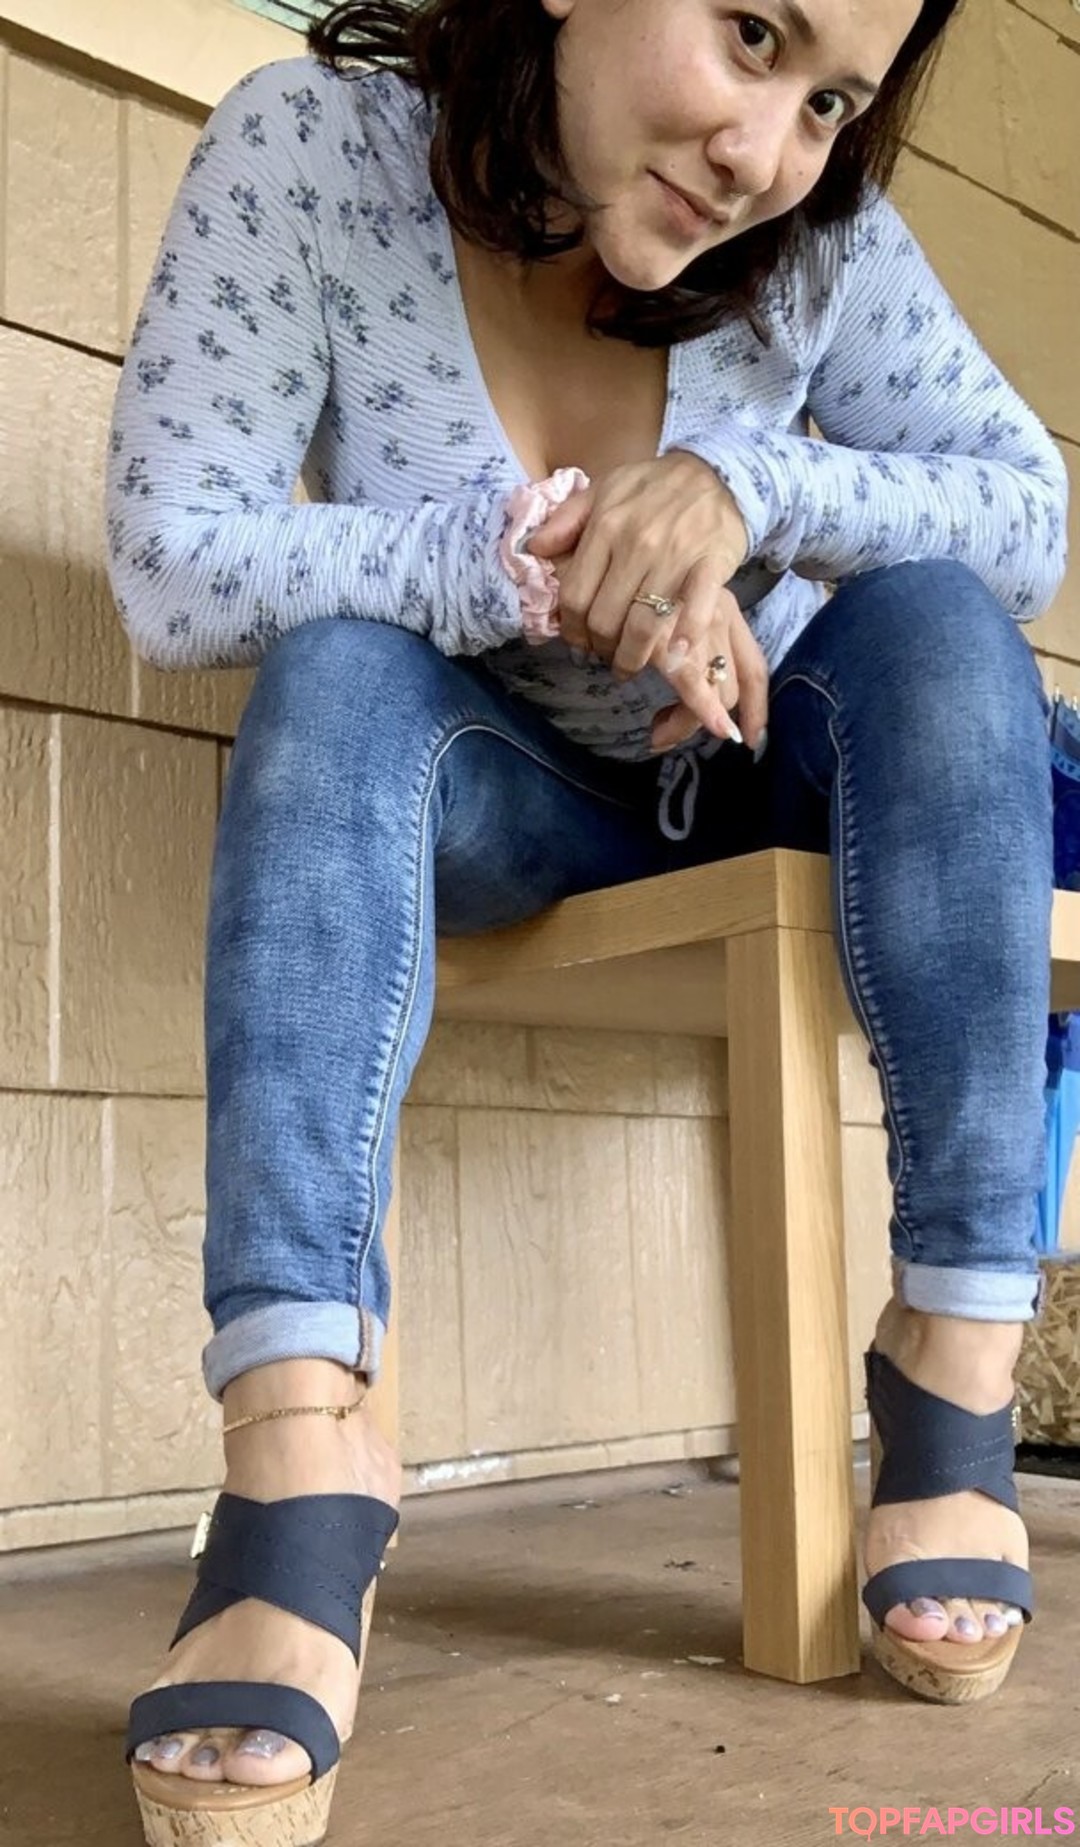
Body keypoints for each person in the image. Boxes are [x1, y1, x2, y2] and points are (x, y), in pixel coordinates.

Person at [106, 0, 1068, 1840]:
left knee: (951, 626)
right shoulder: (311, 152)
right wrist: (524, 562)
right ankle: (300, 1447)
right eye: (752, 33)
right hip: (500, 788)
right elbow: (171, 559)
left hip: (769, 754)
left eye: (830, 100)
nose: (766, 153)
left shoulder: (821, 241)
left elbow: (1031, 508)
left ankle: (955, 1355)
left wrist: (740, 491)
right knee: (333, 676)